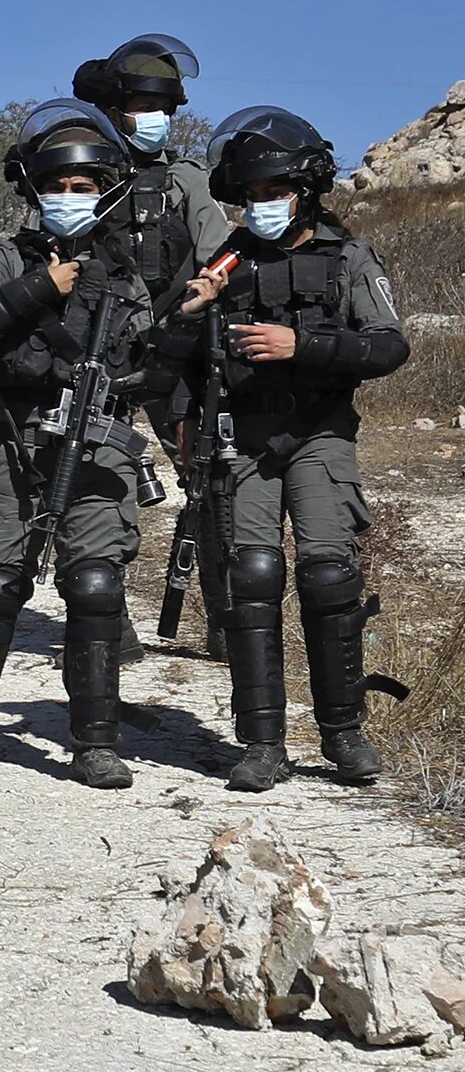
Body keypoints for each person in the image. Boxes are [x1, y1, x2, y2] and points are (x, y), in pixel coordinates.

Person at [156, 107, 409, 791]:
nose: (262, 207)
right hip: (245, 440)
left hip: (322, 436)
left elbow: (389, 345)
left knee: (330, 578)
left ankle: (343, 734)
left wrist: (304, 346)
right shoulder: (227, 261)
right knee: (253, 582)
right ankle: (262, 743)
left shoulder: (347, 257)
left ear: (305, 189)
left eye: (274, 193)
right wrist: (190, 310)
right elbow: (167, 357)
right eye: (252, 197)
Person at [0, 100, 164, 792]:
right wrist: (39, 288)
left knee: (94, 586)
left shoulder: (126, 274)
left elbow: (153, 364)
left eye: (83, 188)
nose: (69, 198)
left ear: (107, 190)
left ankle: (95, 745)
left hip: (97, 451)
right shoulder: (7, 260)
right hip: (16, 445)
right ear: (33, 189)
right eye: (57, 185)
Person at [73, 34, 235, 658]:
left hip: (180, 354)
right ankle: (106, 617)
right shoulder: (81, 173)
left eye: (166, 106)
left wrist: (208, 285)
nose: (159, 118)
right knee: (95, 482)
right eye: (145, 103)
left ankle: (227, 622)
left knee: (211, 483)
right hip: (102, 356)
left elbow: (222, 249)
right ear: (114, 108)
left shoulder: (185, 180)